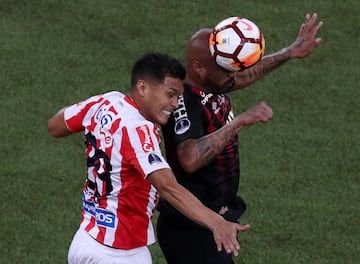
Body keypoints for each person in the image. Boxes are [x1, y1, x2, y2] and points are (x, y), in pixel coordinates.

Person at [47, 52, 265, 264]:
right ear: (143, 87)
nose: (176, 103)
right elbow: (168, 187)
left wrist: (89, 113)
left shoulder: (106, 102)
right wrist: (216, 222)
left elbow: (55, 126)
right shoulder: (138, 129)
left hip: (85, 242)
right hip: (119, 253)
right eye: (170, 94)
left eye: (179, 96)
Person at [156, 13, 323, 264]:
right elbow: (189, 158)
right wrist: (238, 122)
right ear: (200, 68)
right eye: (226, 69)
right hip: (192, 229)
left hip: (213, 220)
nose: (233, 75)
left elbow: (244, 76)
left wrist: (290, 52)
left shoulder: (213, 83)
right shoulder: (185, 103)